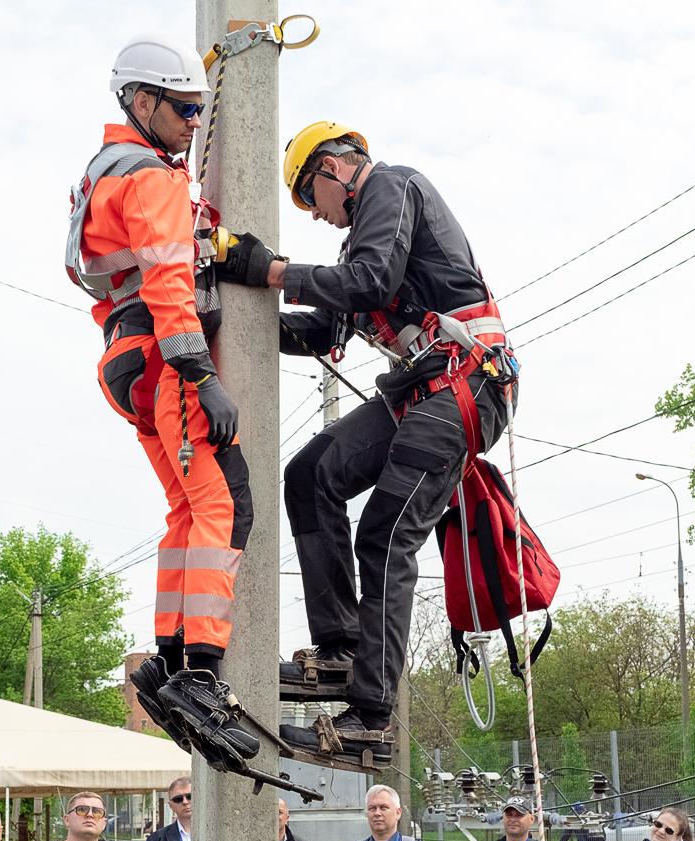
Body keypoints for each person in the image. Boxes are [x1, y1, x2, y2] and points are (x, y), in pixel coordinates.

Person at [217, 122, 512, 766]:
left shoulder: (393, 187)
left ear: (334, 169)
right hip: (419, 390)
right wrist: (230, 318)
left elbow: (372, 280)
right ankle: (342, 650)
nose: (316, 217)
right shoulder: (360, 241)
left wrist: (270, 270)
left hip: (467, 384)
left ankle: (373, 718)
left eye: (309, 199)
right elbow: (321, 333)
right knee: (311, 474)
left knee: (384, 531)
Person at [66, 34, 255, 764]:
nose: (192, 123)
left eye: (198, 110)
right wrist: (201, 373)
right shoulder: (149, 178)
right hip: (162, 356)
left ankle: (167, 667)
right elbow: (170, 280)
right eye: (182, 109)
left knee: (186, 509)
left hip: (124, 356)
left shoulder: (104, 173)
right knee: (222, 505)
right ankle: (198, 673)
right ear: (142, 101)